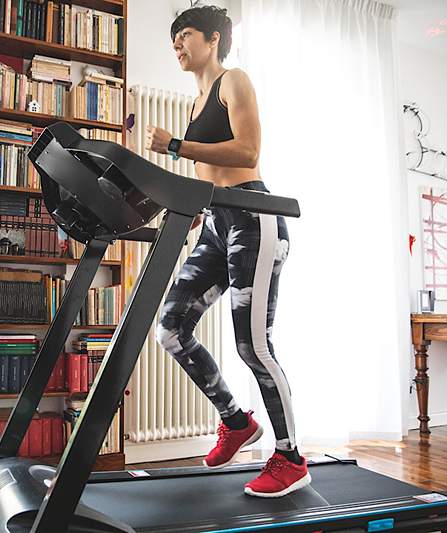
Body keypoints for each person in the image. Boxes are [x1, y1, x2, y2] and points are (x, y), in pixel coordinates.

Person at [145, 5, 310, 498]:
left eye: (185, 35)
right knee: (170, 329)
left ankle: (290, 457)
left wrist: (175, 146)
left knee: (252, 345)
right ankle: (236, 421)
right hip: (217, 224)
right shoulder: (194, 104)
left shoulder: (233, 81)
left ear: (213, 39)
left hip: (253, 218)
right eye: (173, 39)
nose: (177, 44)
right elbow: (206, 176)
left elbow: (247, 153)